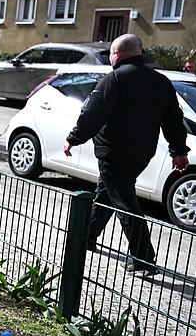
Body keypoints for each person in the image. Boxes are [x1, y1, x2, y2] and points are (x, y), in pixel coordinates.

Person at [64, 34, 189, 275]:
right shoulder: (161, 81)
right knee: (107, 195)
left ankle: (143, 259)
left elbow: (93, 113)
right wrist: (179, 151)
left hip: (113, 153)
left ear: (117, 54)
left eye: (111, 54)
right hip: (142, 154)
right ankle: (86, 236)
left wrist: (74, 139)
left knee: (125, 204)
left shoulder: (115, 78)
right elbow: (174, 120)